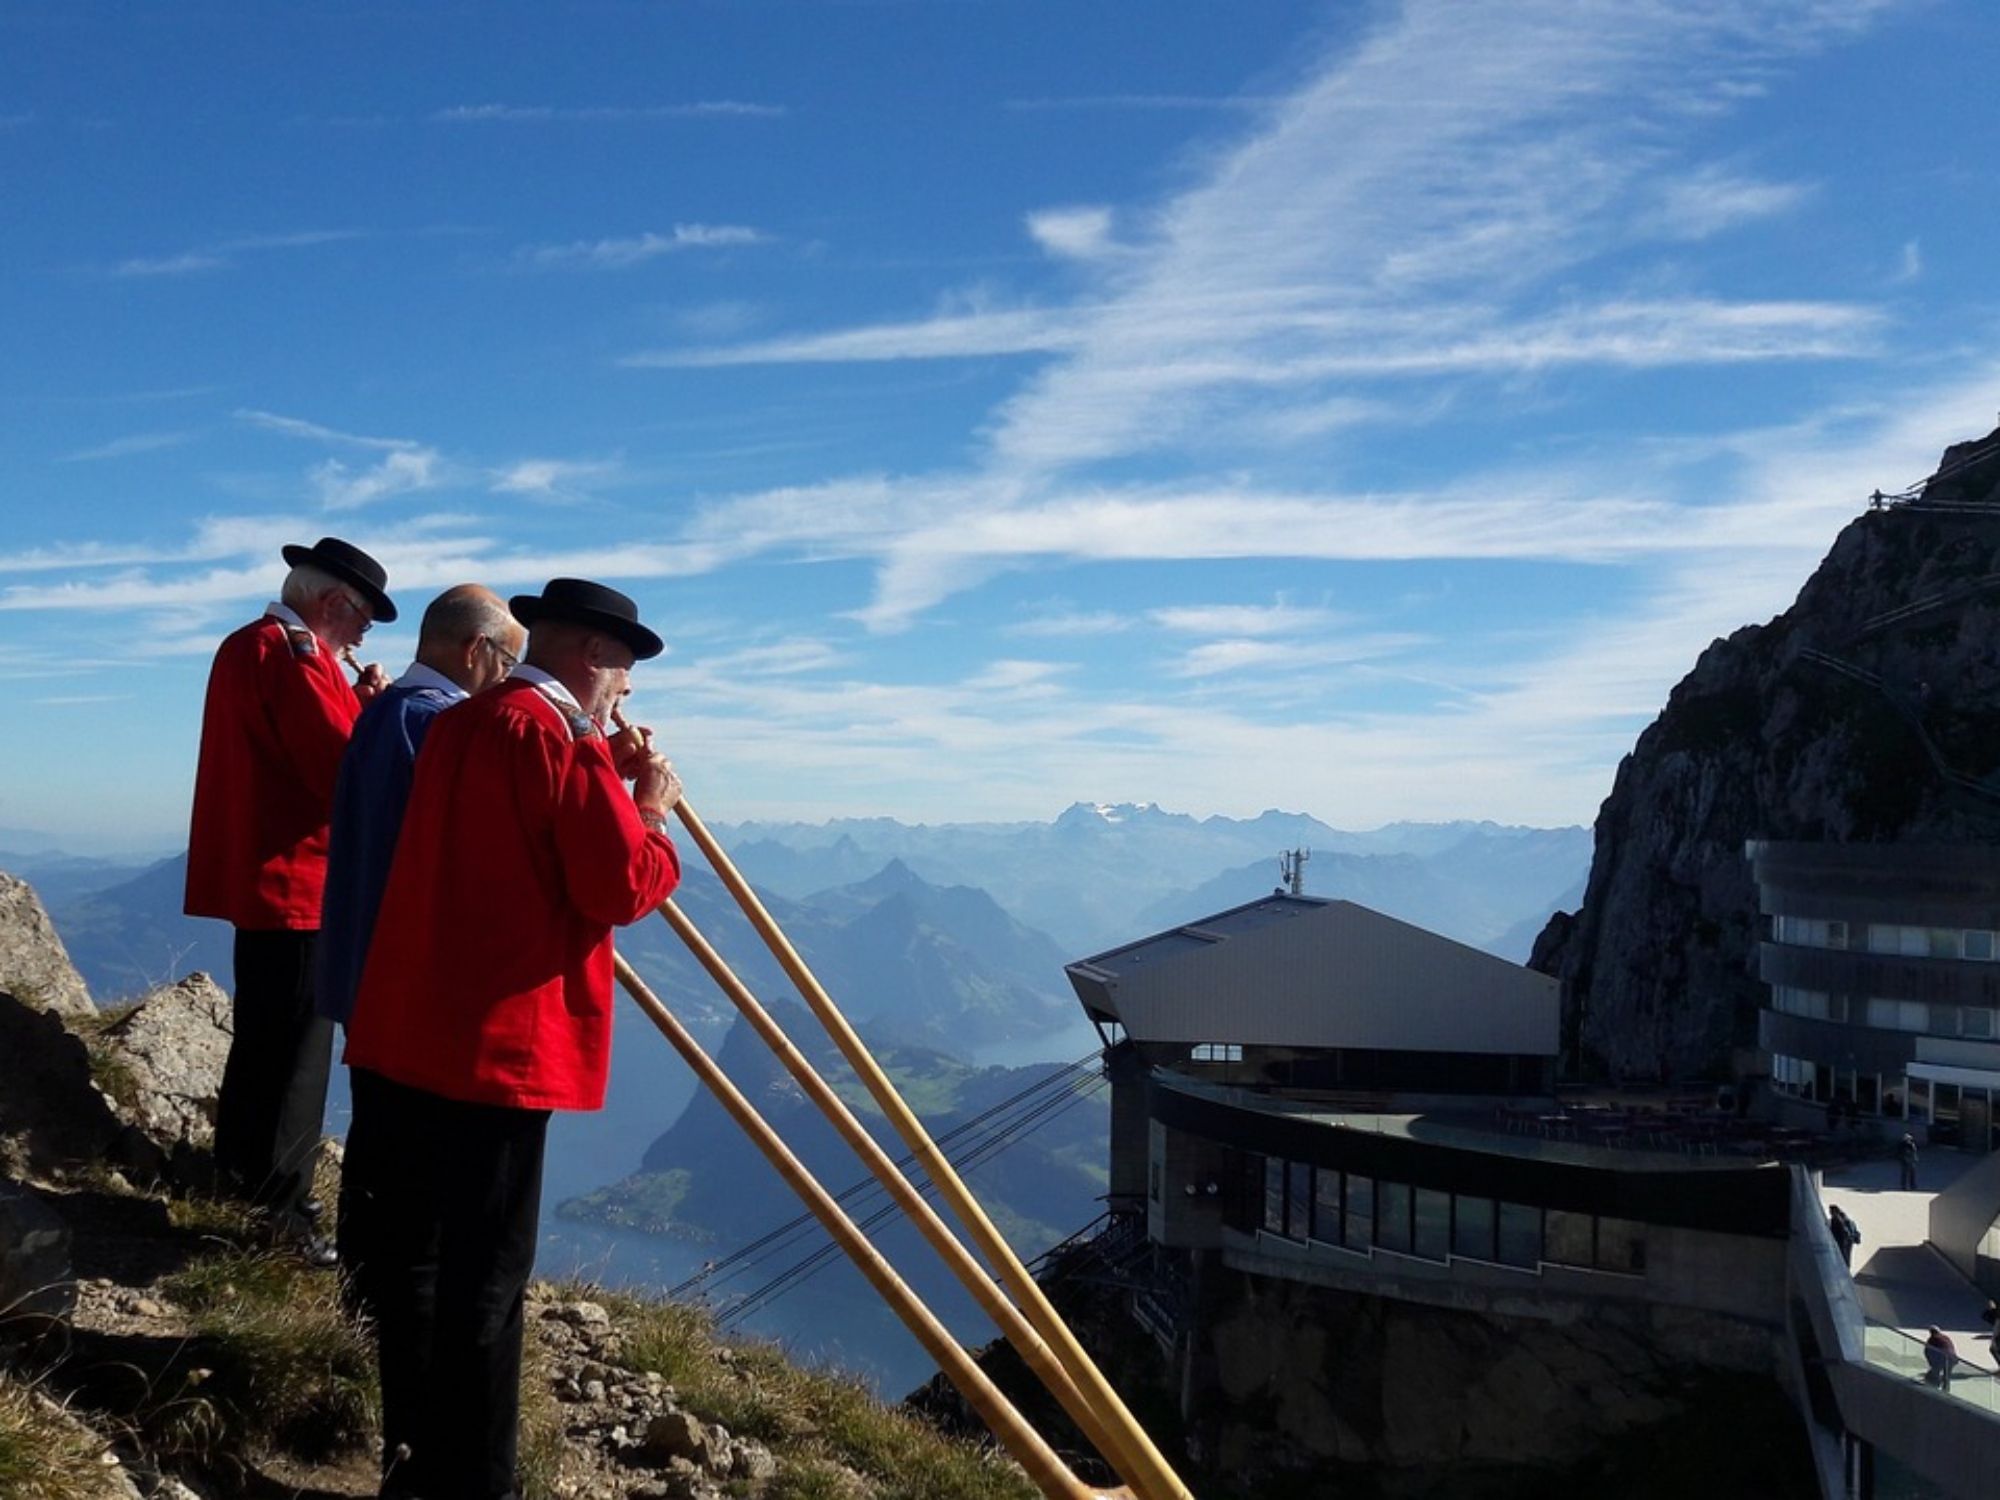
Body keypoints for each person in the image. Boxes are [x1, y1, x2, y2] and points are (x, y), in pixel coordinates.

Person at [343, 578, 682, 1500]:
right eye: (623, 665)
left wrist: (605, 772)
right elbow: (619, 885)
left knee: (412, 1264)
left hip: (411, 1030)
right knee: (488, 1285)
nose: (626, 688)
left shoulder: (466, 719)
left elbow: (513, 836)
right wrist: (649, 803)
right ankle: (475, 1484)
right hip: (497, 1053)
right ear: (588, 656)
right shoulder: (559, 735)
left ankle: (408, 1462)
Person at [316, 584, 526, 1315]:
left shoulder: (383, 715)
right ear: (477, 651)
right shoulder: (434, 728)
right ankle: (389, 1316)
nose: (508, 681)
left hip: (362, 967)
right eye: (508, 662)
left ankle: (360, 1298)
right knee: (414, 1168)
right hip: (407, 983)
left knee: (379, 1143)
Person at [184, 536, 393, 1260]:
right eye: (365, 616)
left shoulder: (252, 645)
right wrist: (376, 715)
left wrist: (357, 700)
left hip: (263, 878)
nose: (366, 632)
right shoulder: (297, 658)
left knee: (264, 1042)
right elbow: (339, 768)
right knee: (297, 1058)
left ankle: (239, 1181)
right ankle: (281, 1216)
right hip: (301, 882)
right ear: (333, 603)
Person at [1924, 1325, 1957, 1390]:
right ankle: (1945, 1389)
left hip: (1943, 1358)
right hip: (1952, 1358)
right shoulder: (1946, 1337)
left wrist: (1931, 1363)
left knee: (1934, 1373)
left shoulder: (1932, 1339)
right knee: (1946, 1376)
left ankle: (1934, 1386)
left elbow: (1927, 1351)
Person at [1827, 1204, 1860, 1269]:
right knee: (1847, 1259)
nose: (1830, 1213)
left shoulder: (1836, 1220)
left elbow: (1835, 1232)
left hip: (1841, 1242)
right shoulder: (1848, 1219)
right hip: (1849, 1242)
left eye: (1830, 1212)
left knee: (1841, 1259)